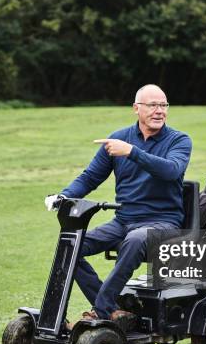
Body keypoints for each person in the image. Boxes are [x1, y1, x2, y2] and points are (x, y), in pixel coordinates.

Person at [45, 84, 192, 326]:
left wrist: (132, 151)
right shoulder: (118, 139)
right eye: (152, 105)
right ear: (136, 108)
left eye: (163, 105)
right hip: (123, 220)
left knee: (135, 239)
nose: (159, 111)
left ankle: (100, 311)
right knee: (70, 246)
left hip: (163, 223)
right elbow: (90, 177)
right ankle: (112, 310)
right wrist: (63, 196)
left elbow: (171, 170)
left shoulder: (179, 140)